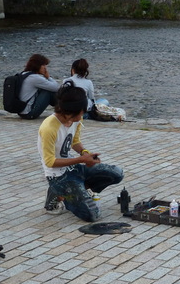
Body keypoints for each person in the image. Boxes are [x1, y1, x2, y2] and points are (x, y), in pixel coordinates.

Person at [38, 81, 124, 221]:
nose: (83, 114)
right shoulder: (49, 128)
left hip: (74, 168)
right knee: (92, 215)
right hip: (58, 176)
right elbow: (50, 162)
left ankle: (80, 189)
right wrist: (82, 160)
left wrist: (85, 153)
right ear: (69, 111)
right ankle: (56, 194)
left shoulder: (76, 119)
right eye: (81, 111)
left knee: (116, 173)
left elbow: (75, 141)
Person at [18, 54, 60, 120]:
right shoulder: (35, 78)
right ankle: (67, 109)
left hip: (21, 111)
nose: (45, 68)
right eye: (43, 65)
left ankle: (64, 109)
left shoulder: (24, 74)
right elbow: (56, 88)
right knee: (48, 92)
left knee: (46, 89)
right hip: (29, 113)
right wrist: (48, 77)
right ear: (37, 66)